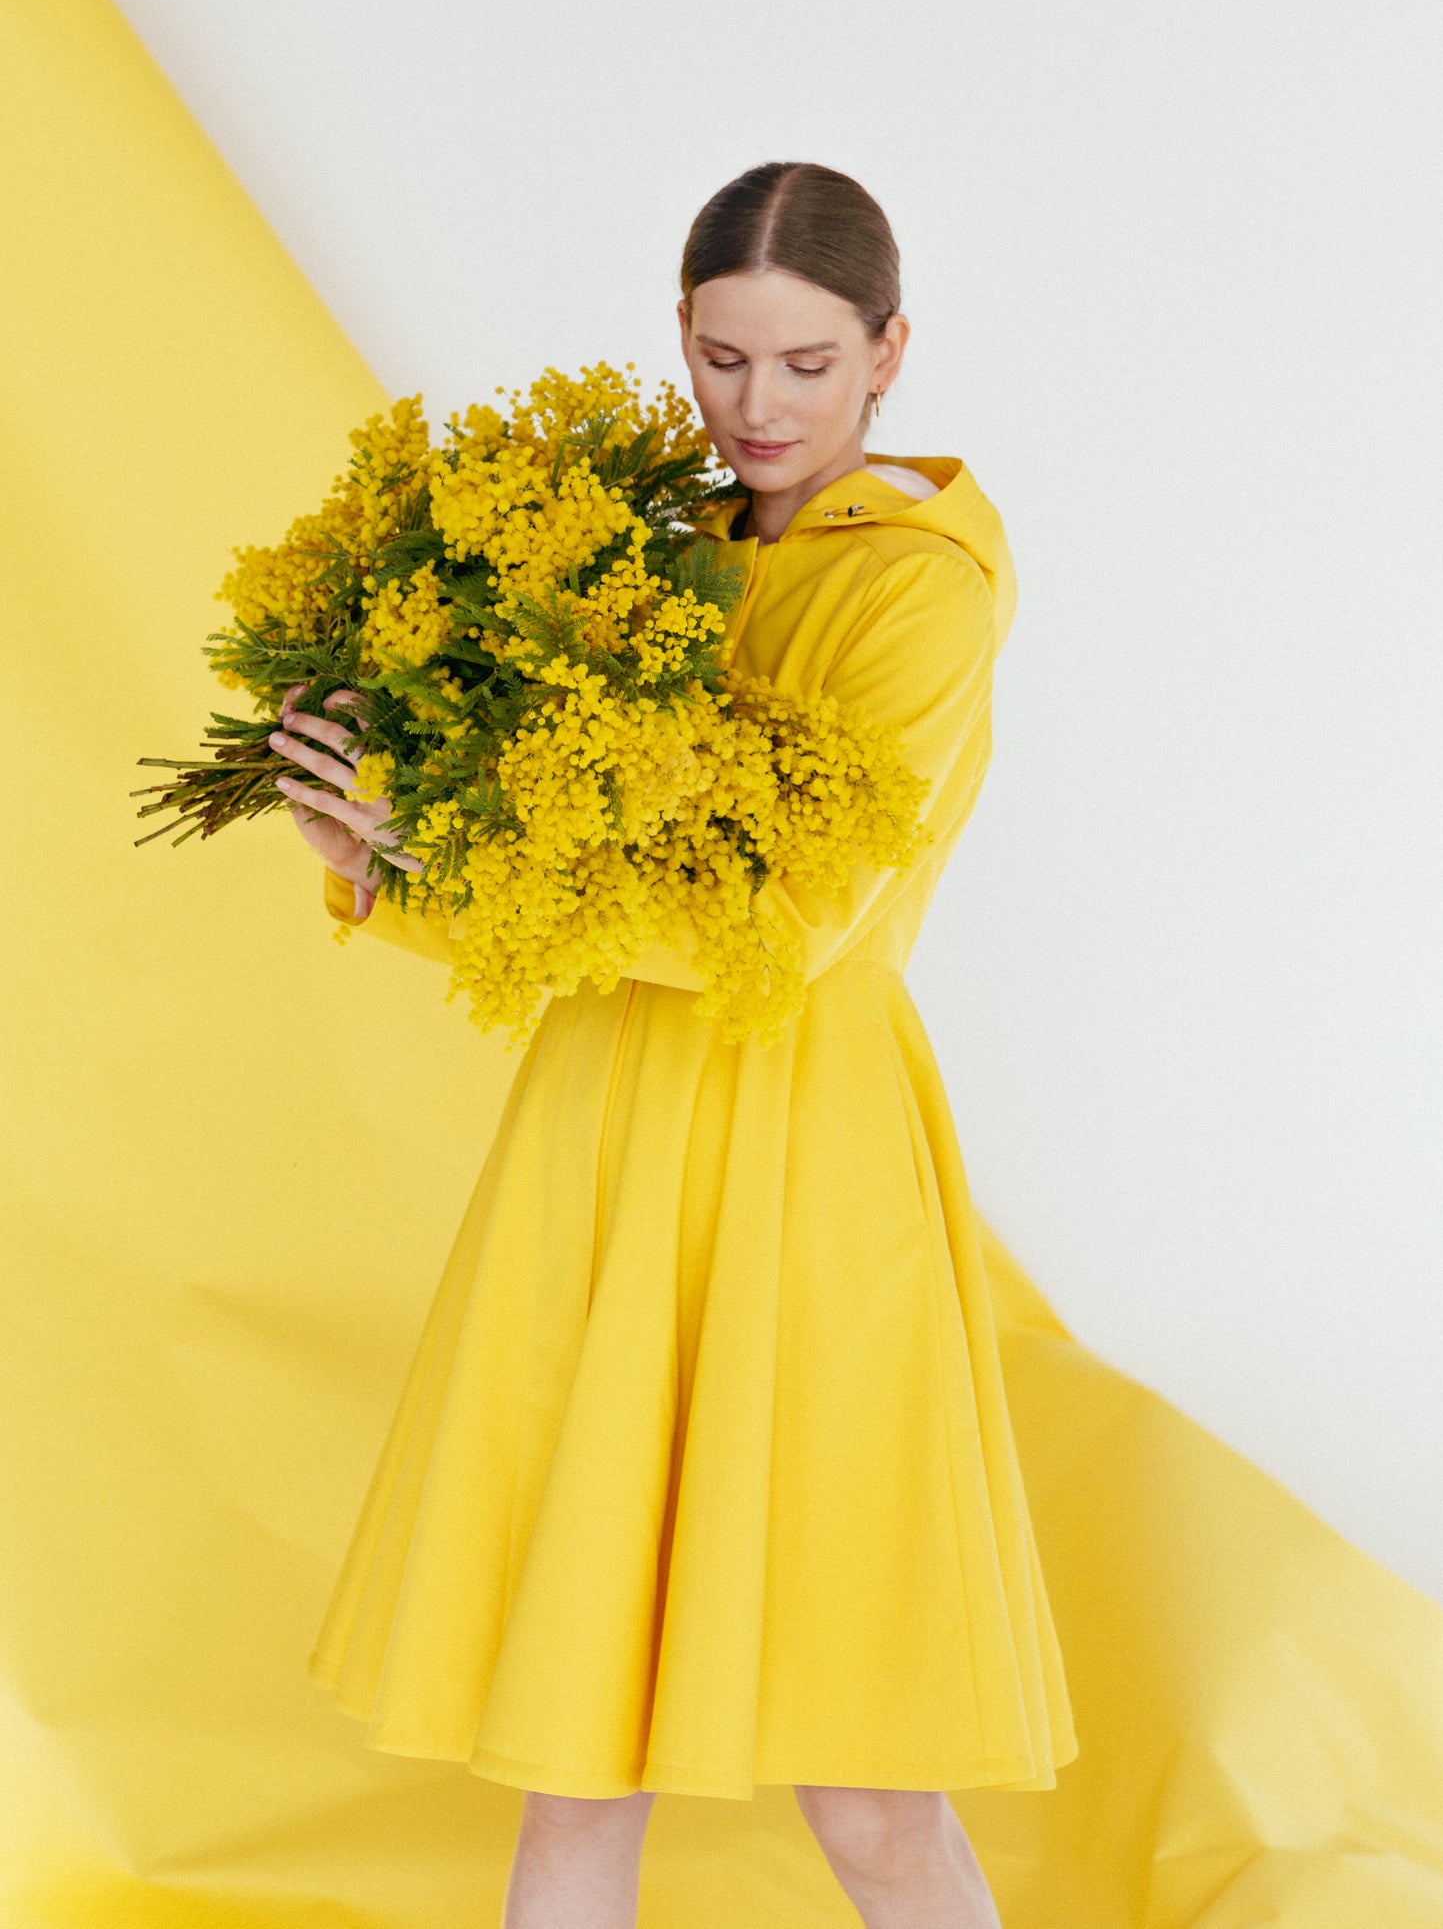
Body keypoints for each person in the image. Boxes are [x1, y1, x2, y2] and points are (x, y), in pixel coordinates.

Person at [271, 161, 1077, 1928]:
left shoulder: (920, 596)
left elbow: (788, 926)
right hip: (606, 1128)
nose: (756, 407)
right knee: (575, 1762)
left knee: (866, 1788)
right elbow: (570, 899)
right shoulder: (658, 557)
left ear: (887, 355)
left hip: (807, 1151)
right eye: (720, 360)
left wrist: (451, 843)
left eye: (804, 365)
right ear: (682, 342)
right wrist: (379, 867)